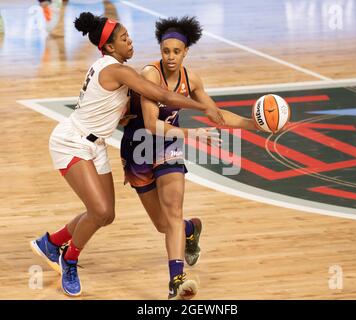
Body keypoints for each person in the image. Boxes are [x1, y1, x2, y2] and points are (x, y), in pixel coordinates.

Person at [29, 12, 224, 297]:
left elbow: (118, 108)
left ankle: (52, 242)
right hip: (71, 142)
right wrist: (203, 107)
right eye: (123, 39)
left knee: (105, 215)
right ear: (109, 47)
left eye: (128, 36)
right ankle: (68, 259)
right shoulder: (116, 69)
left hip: (95, 145)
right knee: (100, 211)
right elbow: (164, 96)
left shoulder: (116, 69)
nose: (130, 41)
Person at [120, 16, 258, 300]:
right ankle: (190, 230)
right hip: (139, 147)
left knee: (173, 212)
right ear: (160, 50)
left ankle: (176, 282)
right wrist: (193, 134)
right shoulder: (150, 75)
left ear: (186, 52)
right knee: (164, 225)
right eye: (165, 50)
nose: (170, 57)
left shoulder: (191, 78)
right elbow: (149, 124)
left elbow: (216, 115)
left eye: (176, 51)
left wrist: (253, 124)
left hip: (169, 146)